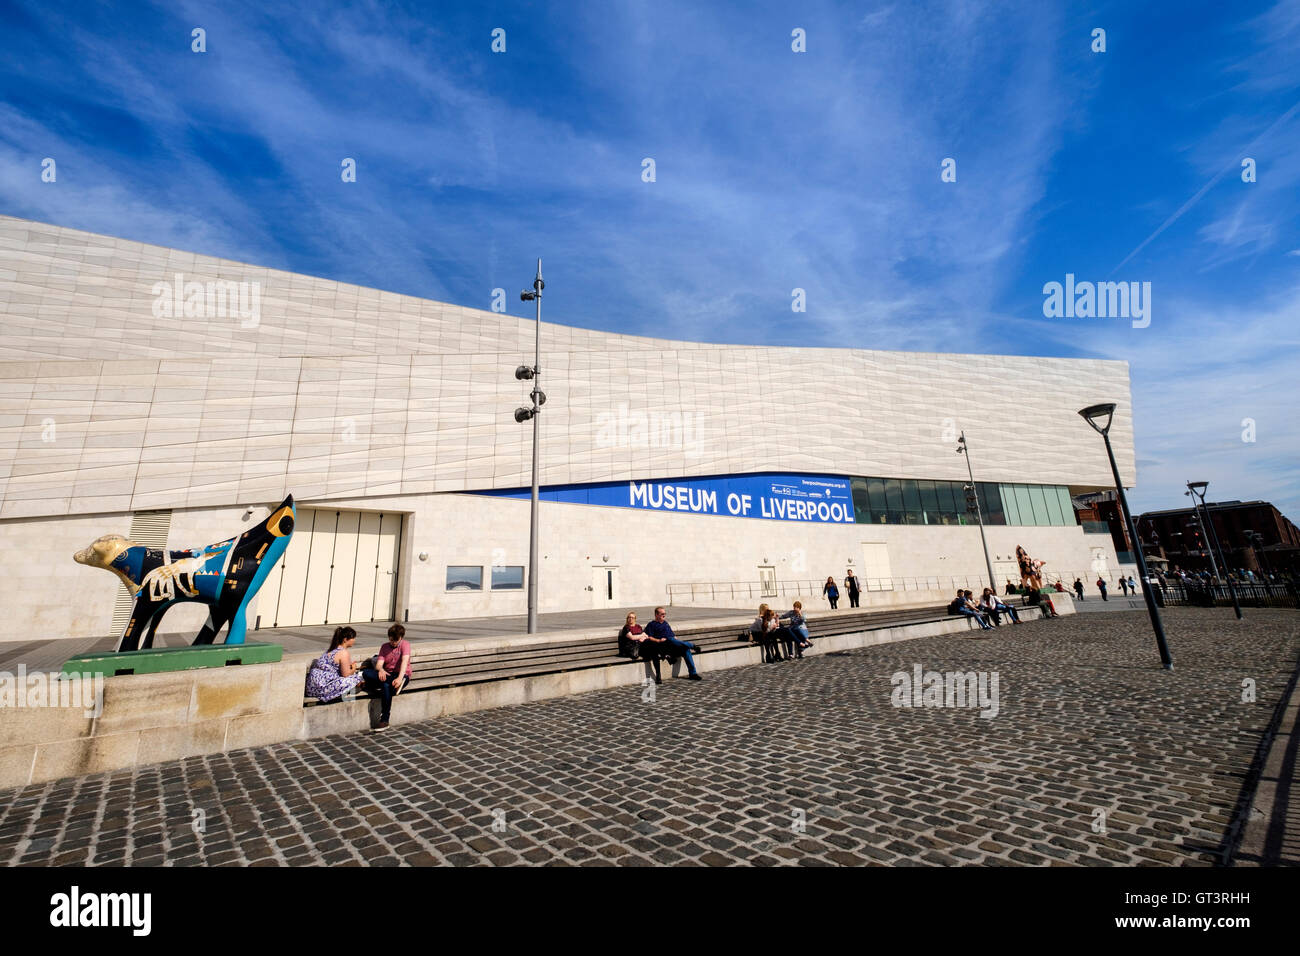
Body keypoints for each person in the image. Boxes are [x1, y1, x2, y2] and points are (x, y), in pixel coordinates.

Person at [362, 623, 412, 730]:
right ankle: (392, 685)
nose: (393, 642)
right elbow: (379, 664)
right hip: (387, 674)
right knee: (366, 673)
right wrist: (381, 670)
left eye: (396, 640)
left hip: (402, 675)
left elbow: (404, 662)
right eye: (391, 640)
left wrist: (399, 678)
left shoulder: (405, 645)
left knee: (385, 685)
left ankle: (384, 720)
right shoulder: (384, 647)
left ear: (401, 638)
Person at [305, 626, 364, 702]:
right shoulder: (343, 652)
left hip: (312, 687)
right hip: (322, 688)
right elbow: (345, 675)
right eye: (353, 638)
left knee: (357, 677)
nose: (354, 640)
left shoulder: (332, 649)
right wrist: (353, 668)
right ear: (345, 639)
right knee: (358, 676)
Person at [643, 607, 703, 680]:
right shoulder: (651, 624)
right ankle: (692, 646)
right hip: (664, 647)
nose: (664, 615)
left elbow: (673, 636)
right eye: (662, 614)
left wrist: (678, 642)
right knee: (669, 639)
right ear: (656, 615)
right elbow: (649, 637)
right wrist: (658, 640)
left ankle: (693, 673)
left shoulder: (666, 623)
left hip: (673, 645)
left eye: (665, 614)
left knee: (685, 649)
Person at [620, 611, 662, 683]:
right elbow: (632, 637)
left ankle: (658, 674)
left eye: (632, 617)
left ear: (635, 619)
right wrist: (641, 636)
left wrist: (641, 637)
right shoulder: (626, 628)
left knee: (654, 652)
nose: (630, 619)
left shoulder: (638, 626)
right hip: (633, 648)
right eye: (629, 617)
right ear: (627, 619)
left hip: (641, 647)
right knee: (653, 649)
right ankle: (665, 655)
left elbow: (645, 636)